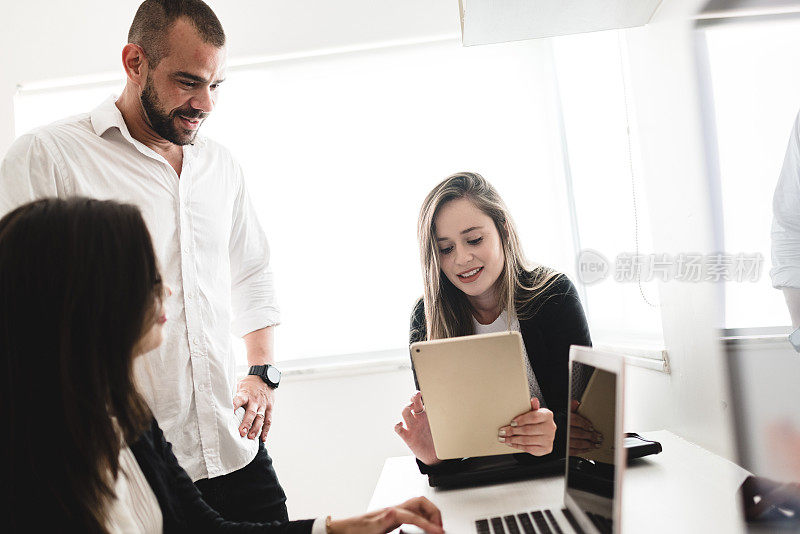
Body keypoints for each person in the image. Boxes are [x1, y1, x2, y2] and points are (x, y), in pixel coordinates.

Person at [0, 0, 288, 522]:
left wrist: (261, 372)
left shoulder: (220, 165)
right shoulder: (48, 158)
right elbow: (21, 303)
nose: (205, 103)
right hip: (131, 458)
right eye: (188, 81)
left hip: (232, 446)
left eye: (215, 85)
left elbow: (251, 271)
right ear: (135, 62)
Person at [0, 197, 444, 534]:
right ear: (87, 302)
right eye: (149, 278)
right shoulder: (25, 471)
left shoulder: (130, 419)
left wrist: (343, 526)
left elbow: (204, 529)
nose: (168, 292)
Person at [394, 172, 599, 471]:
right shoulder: (426, 316)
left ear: (502, 230)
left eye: (474, 239)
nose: (462, 258)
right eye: (446, 249)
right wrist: (432, 457)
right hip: (475, 483)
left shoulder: (554, 295)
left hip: (553, 474)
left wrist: (556, 435)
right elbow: (447, 445)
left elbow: (586, 422)